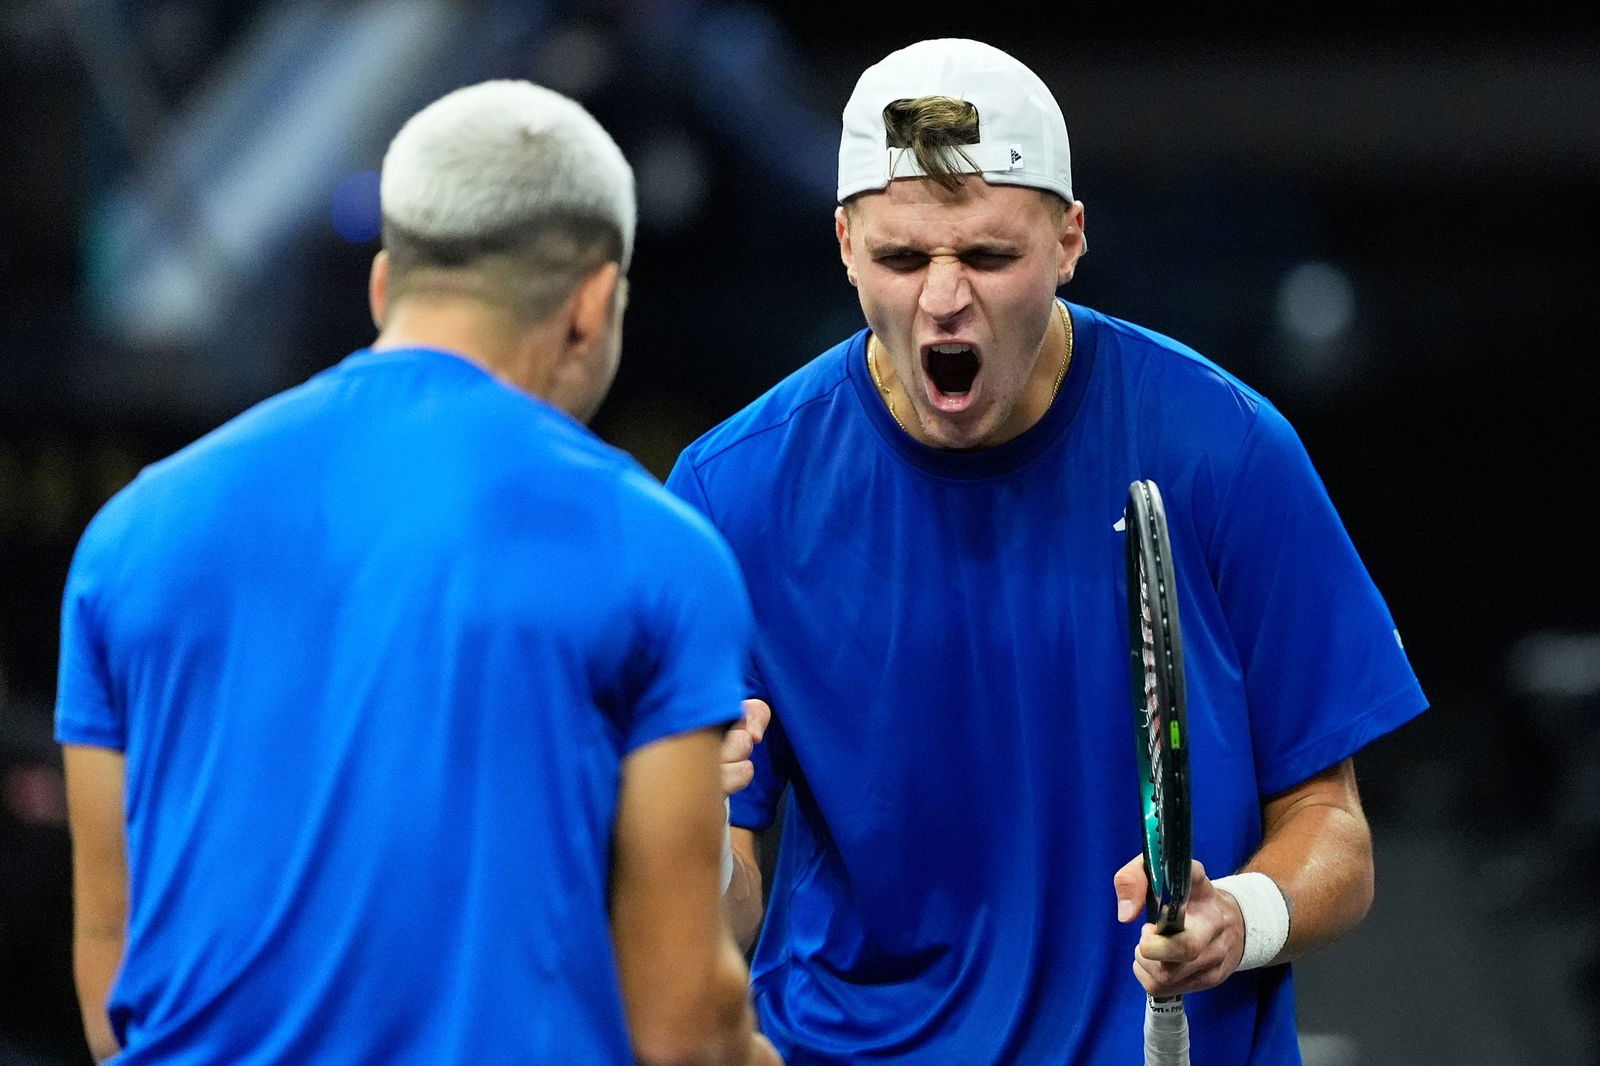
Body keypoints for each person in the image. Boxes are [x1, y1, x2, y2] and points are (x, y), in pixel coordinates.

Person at [667, 38, 1426, 1065]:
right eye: (900, 258)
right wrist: (691, 834)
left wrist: (1238, 914)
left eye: (987, 256)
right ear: (844, 244)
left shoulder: (1225, 450)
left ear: (1068, 240)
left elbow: (1334, 835)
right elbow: (721, 910)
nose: (942, 298)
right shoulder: (731, 492)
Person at [56, 79, 779, 1066]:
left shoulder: (127, 534)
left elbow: (111, 975)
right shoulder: (652, 547)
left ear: (385, 284)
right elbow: (682, 1023)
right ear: (592, 305)